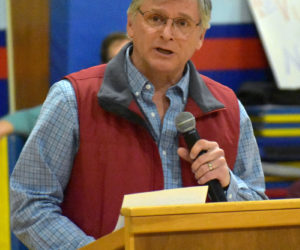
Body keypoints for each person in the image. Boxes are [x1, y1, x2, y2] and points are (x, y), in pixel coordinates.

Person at [10, 0, 268, 249]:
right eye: (156, 19)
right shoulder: (73, 99)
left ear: (200, 36)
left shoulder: (229, 108)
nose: (167, 33)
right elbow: (29, 202)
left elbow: (262, 214)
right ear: (131, 24)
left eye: (182, 23)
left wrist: (227, 183)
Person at [0, 33, 129, 140]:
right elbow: (27, 119)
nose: (127, 66)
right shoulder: (87, 101)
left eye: (131, 57)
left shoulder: (147, 99)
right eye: (118, 60)